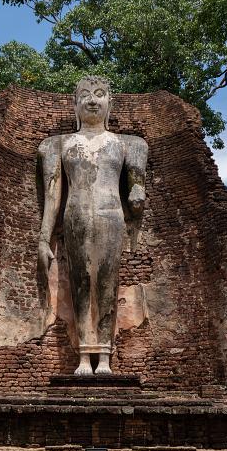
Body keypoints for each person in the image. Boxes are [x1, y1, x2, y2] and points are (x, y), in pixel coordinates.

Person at [38, 76, 148, 375]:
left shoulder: (126, 144)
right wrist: (44, 238)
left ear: (109, 103)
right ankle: (85, 356)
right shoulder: (59, 144)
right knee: (82, 283)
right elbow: (53, 196)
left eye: (100, 95)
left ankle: (106, 359)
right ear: (75, 104)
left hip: (111, 216)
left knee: (107, 284)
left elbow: (136, 188)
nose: (92, 100)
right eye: (85, 95)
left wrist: (137, 191)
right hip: (76, 217)